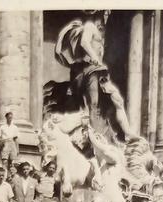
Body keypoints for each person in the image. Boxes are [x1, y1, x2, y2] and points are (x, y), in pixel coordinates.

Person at [54, 10, 133, 139]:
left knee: (96, 104)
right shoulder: (90, 26)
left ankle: (96, 133)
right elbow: (84, 42)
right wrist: (95, 58)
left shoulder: (93, 28)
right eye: (105, 14)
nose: (106, 18)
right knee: (94, 104)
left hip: (89, 70)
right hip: (91, 69)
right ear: (100, 15)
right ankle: (95, 135)